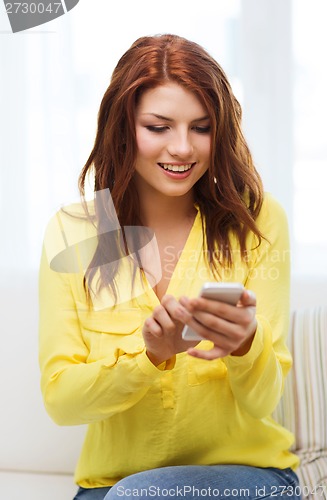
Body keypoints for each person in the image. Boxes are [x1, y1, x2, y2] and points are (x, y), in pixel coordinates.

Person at [38, 34, 302, 499]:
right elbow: (62, 401)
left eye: (201, 127)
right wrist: (149, 359)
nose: (182, 148)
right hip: (111, 486)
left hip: (249, 477)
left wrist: (245, 345)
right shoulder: (74, 231)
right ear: (122, 128)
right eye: (159, 127)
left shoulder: (258, 221)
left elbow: (265, 400)